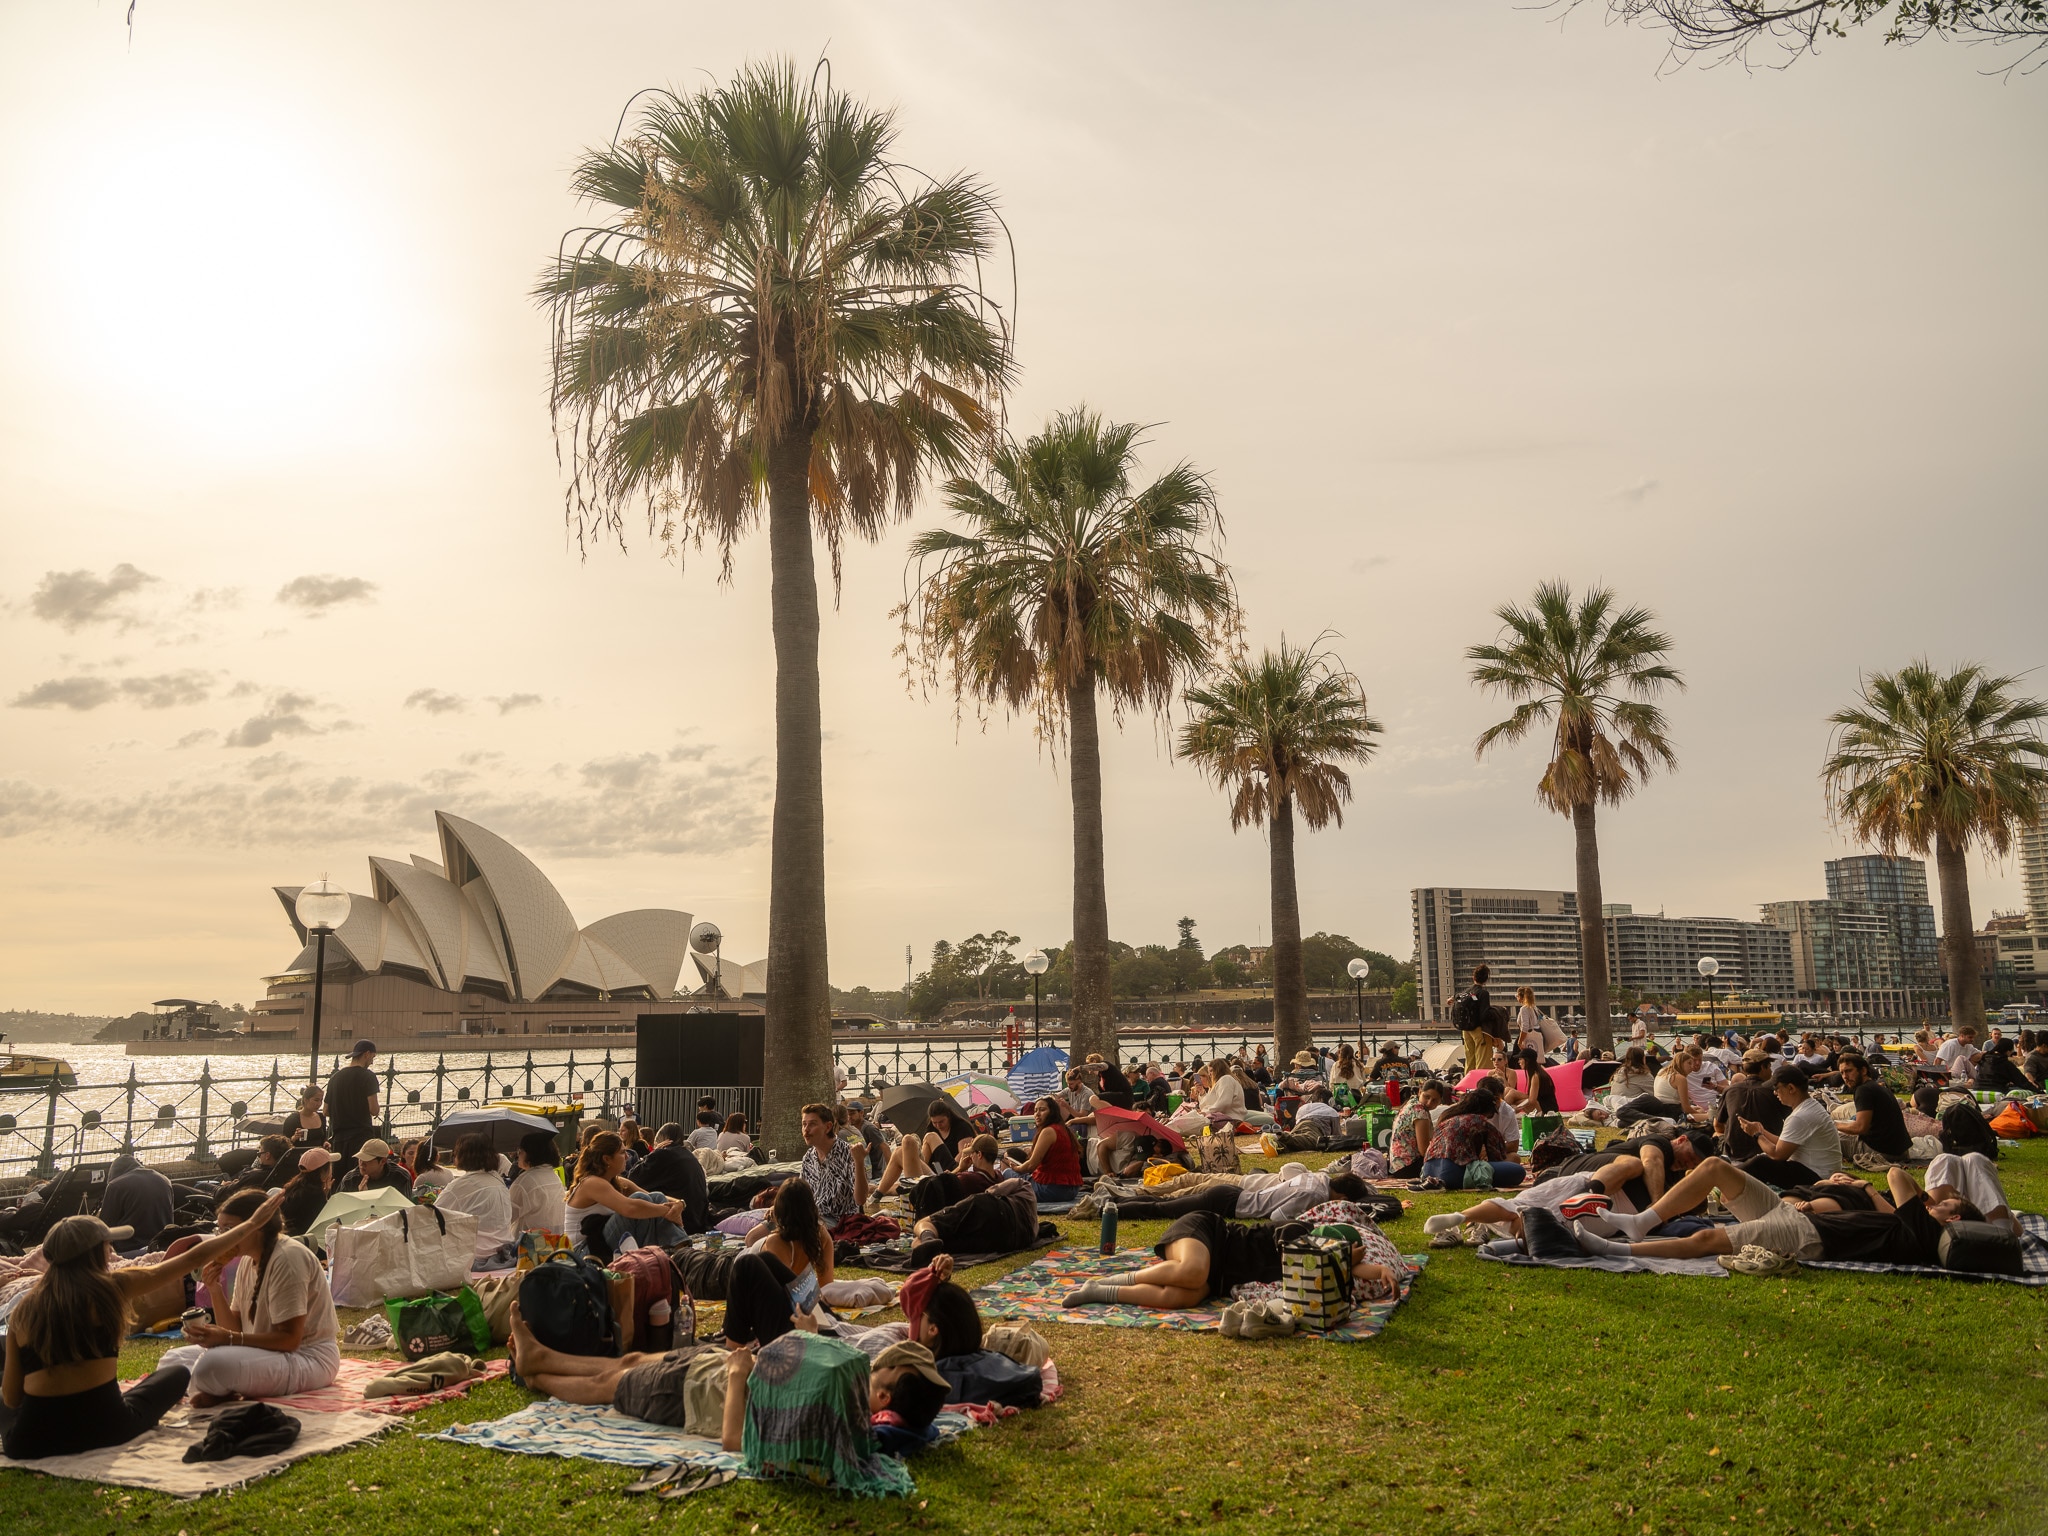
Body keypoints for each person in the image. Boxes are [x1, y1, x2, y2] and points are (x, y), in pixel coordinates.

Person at [0, 1191, 289, 1460]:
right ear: (97, 1253)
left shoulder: (24, 1311)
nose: (111, 1249)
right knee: (175, 1374)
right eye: (107, 1245)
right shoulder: (114, 1287)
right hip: (108, 1429)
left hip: (29, 1444)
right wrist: (252, 1223)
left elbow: (12, 1398)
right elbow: (195, 1256)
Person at [1572, 1161, 1979, 1267]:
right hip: (1798, 1215)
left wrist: (1923, 1198)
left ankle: (1613, 1252)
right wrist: (1866, 1188)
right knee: (1715, 1168)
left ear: (1953, 1220)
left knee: (1707, 1240)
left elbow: (1896, 1174)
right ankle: (1642, 1223)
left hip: (1810, 1235)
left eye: (1947, 1203)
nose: (1937, 1202)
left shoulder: (1926, 1233)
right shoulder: (1914, 1229)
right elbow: (1888, 1193)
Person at [159, 1186, 341, 1405]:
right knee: (173, 1361)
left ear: (257, 1226)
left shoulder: (288, 1257)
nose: (223, 1237)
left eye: (230, 1229)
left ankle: (215, 1389)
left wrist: (226, 1339)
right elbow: (236, 1328)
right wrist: (215, 1289)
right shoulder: (246, 1260)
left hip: (307, 1358)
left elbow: (290, 1340)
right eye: (220, 1229)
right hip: (264, 1352)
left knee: (211, 1365)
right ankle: (216, 1389)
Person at [1060, 1211, 1405, 1313]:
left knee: (1186, 1295)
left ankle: (1098, 1290)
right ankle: (1122, 1277)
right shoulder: (1300, 1230)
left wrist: (1382, 1271)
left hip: (1221, 1276)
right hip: (1209, 1233)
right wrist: (1340, 1254)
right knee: (1193, 1272)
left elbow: (1356, 1269)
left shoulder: (1325, 1263)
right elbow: (1295, 1251)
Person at [565, 1131, 687, 1258]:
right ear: (607, 1159)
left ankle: (680, 1248)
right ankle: (673, 1254)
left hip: (599, 1243)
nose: (628, 1157)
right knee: (639, 1199)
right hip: (582, 1252)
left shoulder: (616, 1182)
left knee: (656, 1197)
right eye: (622, 1153)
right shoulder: (592, 1183)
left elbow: (654, 1197)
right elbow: (630, 1208)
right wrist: (667, 1210)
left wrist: (679, 1203)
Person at [741, 1178, 836, 1321]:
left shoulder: (821, 1236)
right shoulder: (777, 1242)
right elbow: (780, 1297)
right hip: (736, 1269)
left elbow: (827, 1286)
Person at [1737, 1066, 1842, 1185]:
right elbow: (1784, 1143)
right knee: (1762, 1159)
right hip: (1821, 1172)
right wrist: (1762, 1131)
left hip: (1818, 1177)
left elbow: (1778, 1154)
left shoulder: (1800, 1116)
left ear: (1791, 1088)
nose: (1775, 1093)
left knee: (1761, 1163)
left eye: (1776, 1088)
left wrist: (1757, 1134)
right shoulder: (1809, 1106)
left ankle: (1726, 1179)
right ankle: (1730, 1175)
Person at [907, 1177, 1038, 1266]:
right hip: (1009, 1240)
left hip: (996, 1210)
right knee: (944, 1245)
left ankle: (927, 1238)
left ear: (979, 1154)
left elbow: (990, 1192)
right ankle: (927, 1248)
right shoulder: (1033, 1224)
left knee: (924, 1223)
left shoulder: (1022, 1183)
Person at [1421, 1085, 1524, 1190]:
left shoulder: (1448, 1117)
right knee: (1517, 1169)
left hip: (1428, 1171)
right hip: (1451, 1174)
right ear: (1488, 1109)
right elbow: (1497, 1157)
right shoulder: (1480, 1121)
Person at [435, 1133, 517, 1261]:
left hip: (475, 1256)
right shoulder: (498, 1181)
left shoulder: (460, 1186)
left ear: (463, 1155)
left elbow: (432, 1216)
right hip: (504, 1252)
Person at [793, 1101, 869, 1231]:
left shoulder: (847, 1153)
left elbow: (860, 1200)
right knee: (755, 1235)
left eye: (812, 1124)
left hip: (838, 1221)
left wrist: (859, 1162)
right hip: (811, 1216)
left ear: (828, 1127)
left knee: (795, 1232)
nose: (806, 1129)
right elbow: (800, 1196)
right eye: (804, 1124)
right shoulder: (809, 1157)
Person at [628, 1123, 712, 1233]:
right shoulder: (687, 1154)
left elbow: (632, 1178)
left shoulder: (663, 1155)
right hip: (698, 1219)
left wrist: (653, 1152)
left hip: (682, 1221)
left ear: (662, 1141)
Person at [876, 1100, 973, 1195]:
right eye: (935, 1122)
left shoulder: (961, 1127)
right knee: (898, 1152)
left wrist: (953, 1170)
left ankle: (918, 1170)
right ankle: (876, 1192)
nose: (938, 1125)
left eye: (941, 1122)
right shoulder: (932, 1127)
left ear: (949, 1116)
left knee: (930, 1136)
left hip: (952, 1170)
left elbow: (963, 1154)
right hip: (935, 1172)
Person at [1836, 1053, 1911, 1164]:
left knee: (1829, 1137)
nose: (1845, 1077)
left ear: (1863, 1071)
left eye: (1849, 1071)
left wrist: (1833, 1125)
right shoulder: (1877, 1087)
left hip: (1882, 1152)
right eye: (1842, 1073)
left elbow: (1860, 1128)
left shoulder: (1863, 1090)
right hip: (1901, 1151)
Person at [1925, 1150, 2018, 1237]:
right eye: (1941, 1204)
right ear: (1954, 1218)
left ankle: (2005, 1227)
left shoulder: (1923, 1232)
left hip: (1935, 1226)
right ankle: (2005, 1227)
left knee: (1944, 1160)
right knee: (1974, 1159)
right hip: (1997, 1231)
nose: (1929, 1206)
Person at [98, 1154, 176, 1254]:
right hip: (161, 1245)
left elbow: (105, 1227)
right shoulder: (165, 1180)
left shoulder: (115, 1185)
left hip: (129, 1248)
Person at [1714, 1053, 1786, 1160]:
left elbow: (1718, 1125)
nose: (1771, 1071)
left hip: (1734, 1155)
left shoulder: (1730, 1090)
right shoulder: (1775, 1092)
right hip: (1768, 1154)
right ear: (1763, 1067)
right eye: (1769, 1066)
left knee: (1716, 1134)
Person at [324, 1040, 381, 1163]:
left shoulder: (335, 1078)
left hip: (338, 1137)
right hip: (360, 1137)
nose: (372, 1061)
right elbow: (374, 1109)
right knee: (359, 1174)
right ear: (367, 1054)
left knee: (339, 1176)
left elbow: (326, 1111)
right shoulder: (368, 1076)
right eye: (373, 1057)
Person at [508, 1129, 568, 1237]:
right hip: (556, 1240)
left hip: (530, 1246)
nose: (518, 1155)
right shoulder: (553, 1176)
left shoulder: (524, 1182)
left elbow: (507, 1216)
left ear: (529, 1154)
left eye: (520, 1151)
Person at [1386, 1080, 1446, 1179]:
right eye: (1427, 1097)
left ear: (1440, 1101)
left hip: (1397, 1166)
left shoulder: (1411, 1104)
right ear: (1419, 1092)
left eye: (1434, 1100)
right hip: (1407, 1167)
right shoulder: (1420, 1112)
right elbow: (1424, 1150)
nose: (1429, 1102)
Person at [277, 1147, 336, 1238]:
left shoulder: (293, 1186)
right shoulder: (315, 1194)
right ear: (323, 1171)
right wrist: (325, 1199)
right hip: (301, 1243)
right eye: (330, 1165)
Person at [1456, 963, 1495, 1081]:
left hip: (1466, 1030)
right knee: (1483, 1059)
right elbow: (1483, 1014)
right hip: (1478, 1029)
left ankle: (1468, 1083)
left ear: (1474, 977)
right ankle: (1481, 1084)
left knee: (1470, 1058)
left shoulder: (1468, 992)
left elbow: (1457, 998)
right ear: (1486, 979)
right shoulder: (1483, 993)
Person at [224, 1135, 294, 1198]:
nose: (259, 1157)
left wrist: (217, 1187)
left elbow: (223, 1193)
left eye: (259, 1153)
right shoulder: (292, 1176)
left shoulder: (254, 1176)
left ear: (267, 1155)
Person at [341, 1137, 416, 1197]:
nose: (361, 1163)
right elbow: (340, 1208)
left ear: (383, 1161)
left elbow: (406, 1209)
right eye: (360, 1158)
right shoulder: (350, 1179)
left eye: (367, 1160)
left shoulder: (400, 1176)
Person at [1503, 1049, 1559, 1117]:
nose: (1518, 1062)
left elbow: (1532, 1100)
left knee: (1512, 1094)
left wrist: (1518, 1107)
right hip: (1541, 1104)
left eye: (1520, 1059)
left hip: (1547, 1110)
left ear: (1527, 1060)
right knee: (1508, 1090)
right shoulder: (1535, 1072)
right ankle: (1500, 1111)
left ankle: (1500, 1113)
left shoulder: (1536, 1076)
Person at [844, 1100, 887, 1180]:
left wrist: (889, 1172)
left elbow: (885, 1147)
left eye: (852, 1114)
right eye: (848, 1114)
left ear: (861, 1113)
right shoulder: (851, 1129)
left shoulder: (869, 1128)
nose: (849, 1117)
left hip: (875, 1173)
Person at [286, 1085, 328, 1149]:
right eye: (316, 1100)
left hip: (318, 1154)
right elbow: (284, 1144)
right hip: (299, 1155)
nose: (319, 1104)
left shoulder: (321, 1117)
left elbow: (323, 1139)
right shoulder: (293, 1119)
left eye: (321, 1100)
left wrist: (326, 1143)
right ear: (306, 1100)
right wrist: (294, 1137)